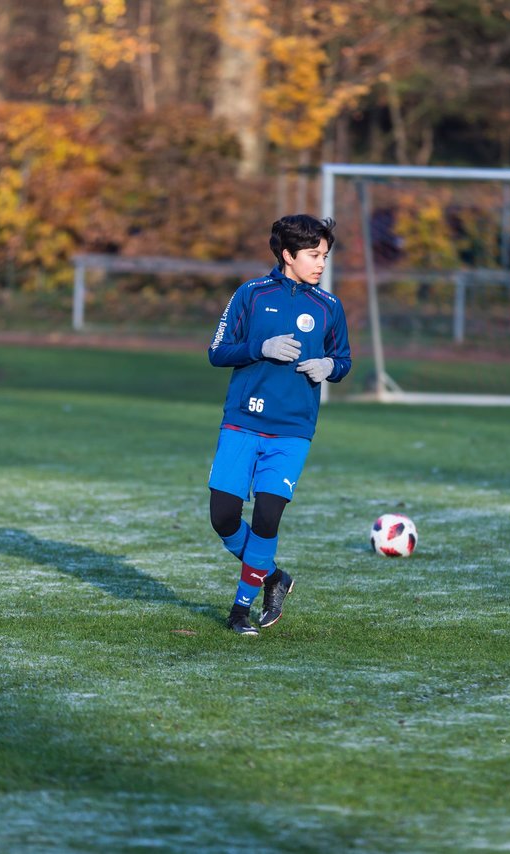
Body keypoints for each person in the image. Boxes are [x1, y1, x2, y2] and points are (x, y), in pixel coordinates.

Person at [207, 215, 351, 635]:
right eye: (313, 255)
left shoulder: (330, 307)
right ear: (288, 255)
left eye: (325, 255)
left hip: (292, 430)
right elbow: (217, 351)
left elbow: (343, 360)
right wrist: (260, 347)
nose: (321, 263)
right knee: (224, 518)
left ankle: (240, 610)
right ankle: (273, 577)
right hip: (242, 422)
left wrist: (330, 365)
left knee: (268, 516)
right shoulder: (250, 294)